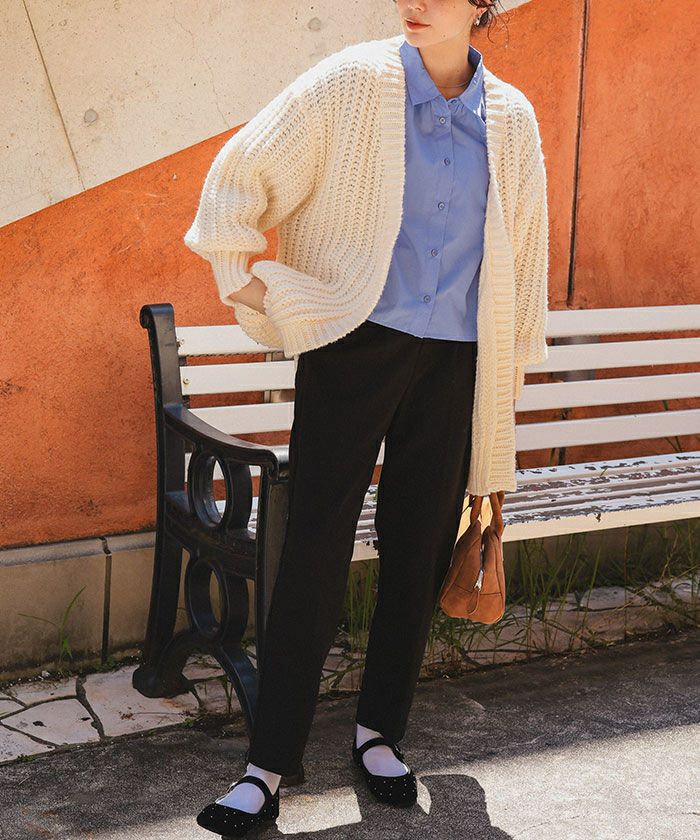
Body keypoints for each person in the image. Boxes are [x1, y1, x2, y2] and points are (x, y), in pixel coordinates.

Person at [185, 1, 549, 835]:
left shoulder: (513, 117)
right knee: (313, 547)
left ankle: (379, 732)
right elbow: (238, 179)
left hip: (457, 362)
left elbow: (525, 255)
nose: (414, 2)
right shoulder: (351, 83)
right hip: (353, 347)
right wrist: (254, 283)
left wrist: (505, 377)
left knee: (418, 549)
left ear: (481, 4)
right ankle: (266, 766)